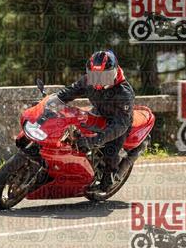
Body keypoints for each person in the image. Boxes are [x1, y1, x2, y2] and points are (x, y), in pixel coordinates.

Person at [56, 50, 135, 192]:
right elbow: (68, 92)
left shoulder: (124, 93)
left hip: (118, 122)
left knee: (110, 151)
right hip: (98, 113)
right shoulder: (87, 81)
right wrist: (49, 102)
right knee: (75, 131)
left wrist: (95, 140)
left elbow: (120, 124)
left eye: (104, 76)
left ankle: (110, 176)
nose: (98, 81)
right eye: (95, 76)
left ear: (115, 72)